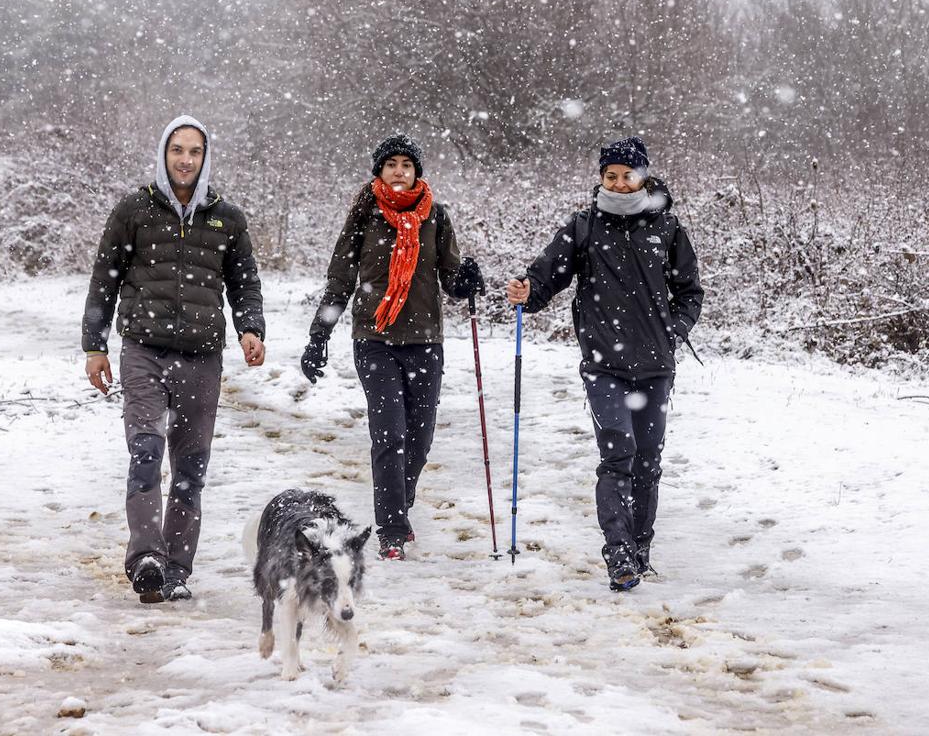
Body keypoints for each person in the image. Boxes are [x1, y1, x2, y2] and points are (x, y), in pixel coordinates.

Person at [506, 136, 703, 591]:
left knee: (648, 462)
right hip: (604, 365)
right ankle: (619, 556)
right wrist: (526, 292)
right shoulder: (585, 226)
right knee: (618, 454)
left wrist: (672, 332)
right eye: (610, 175)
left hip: (655, 366)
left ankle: (640, 548)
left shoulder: (667, 229)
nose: (619, 182)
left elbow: (690, 292)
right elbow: (545, 277)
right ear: (601, 178)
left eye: (627, 174)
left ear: (643, 176)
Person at [82, 115, 266, 603]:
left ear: (205, 158)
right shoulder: (134, 210)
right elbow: (105, 278)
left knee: (191, 467)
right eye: (177, 150)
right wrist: (94, 345)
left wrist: (251, 328)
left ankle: (177, 569)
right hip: (143, 349)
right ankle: (146, 556)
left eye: (195, 152)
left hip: (202, 357)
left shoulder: (227, 217)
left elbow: (245, 282)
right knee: (146, 452)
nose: (185, 160)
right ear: (163, 154)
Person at [301, 134, 484, 561]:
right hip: (375, 340)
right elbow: (340, 281)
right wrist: (318, 337)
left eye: (407, 164)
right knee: (390, 435)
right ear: (378, 172)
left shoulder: (434, 217)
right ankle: (391, 530)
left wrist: (467, 280)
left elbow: (452, 278)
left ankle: (399, 505)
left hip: (424, 342)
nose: (399, 171)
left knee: (419, 441)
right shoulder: (365, 217)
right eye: (391, 164)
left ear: (417, 171)